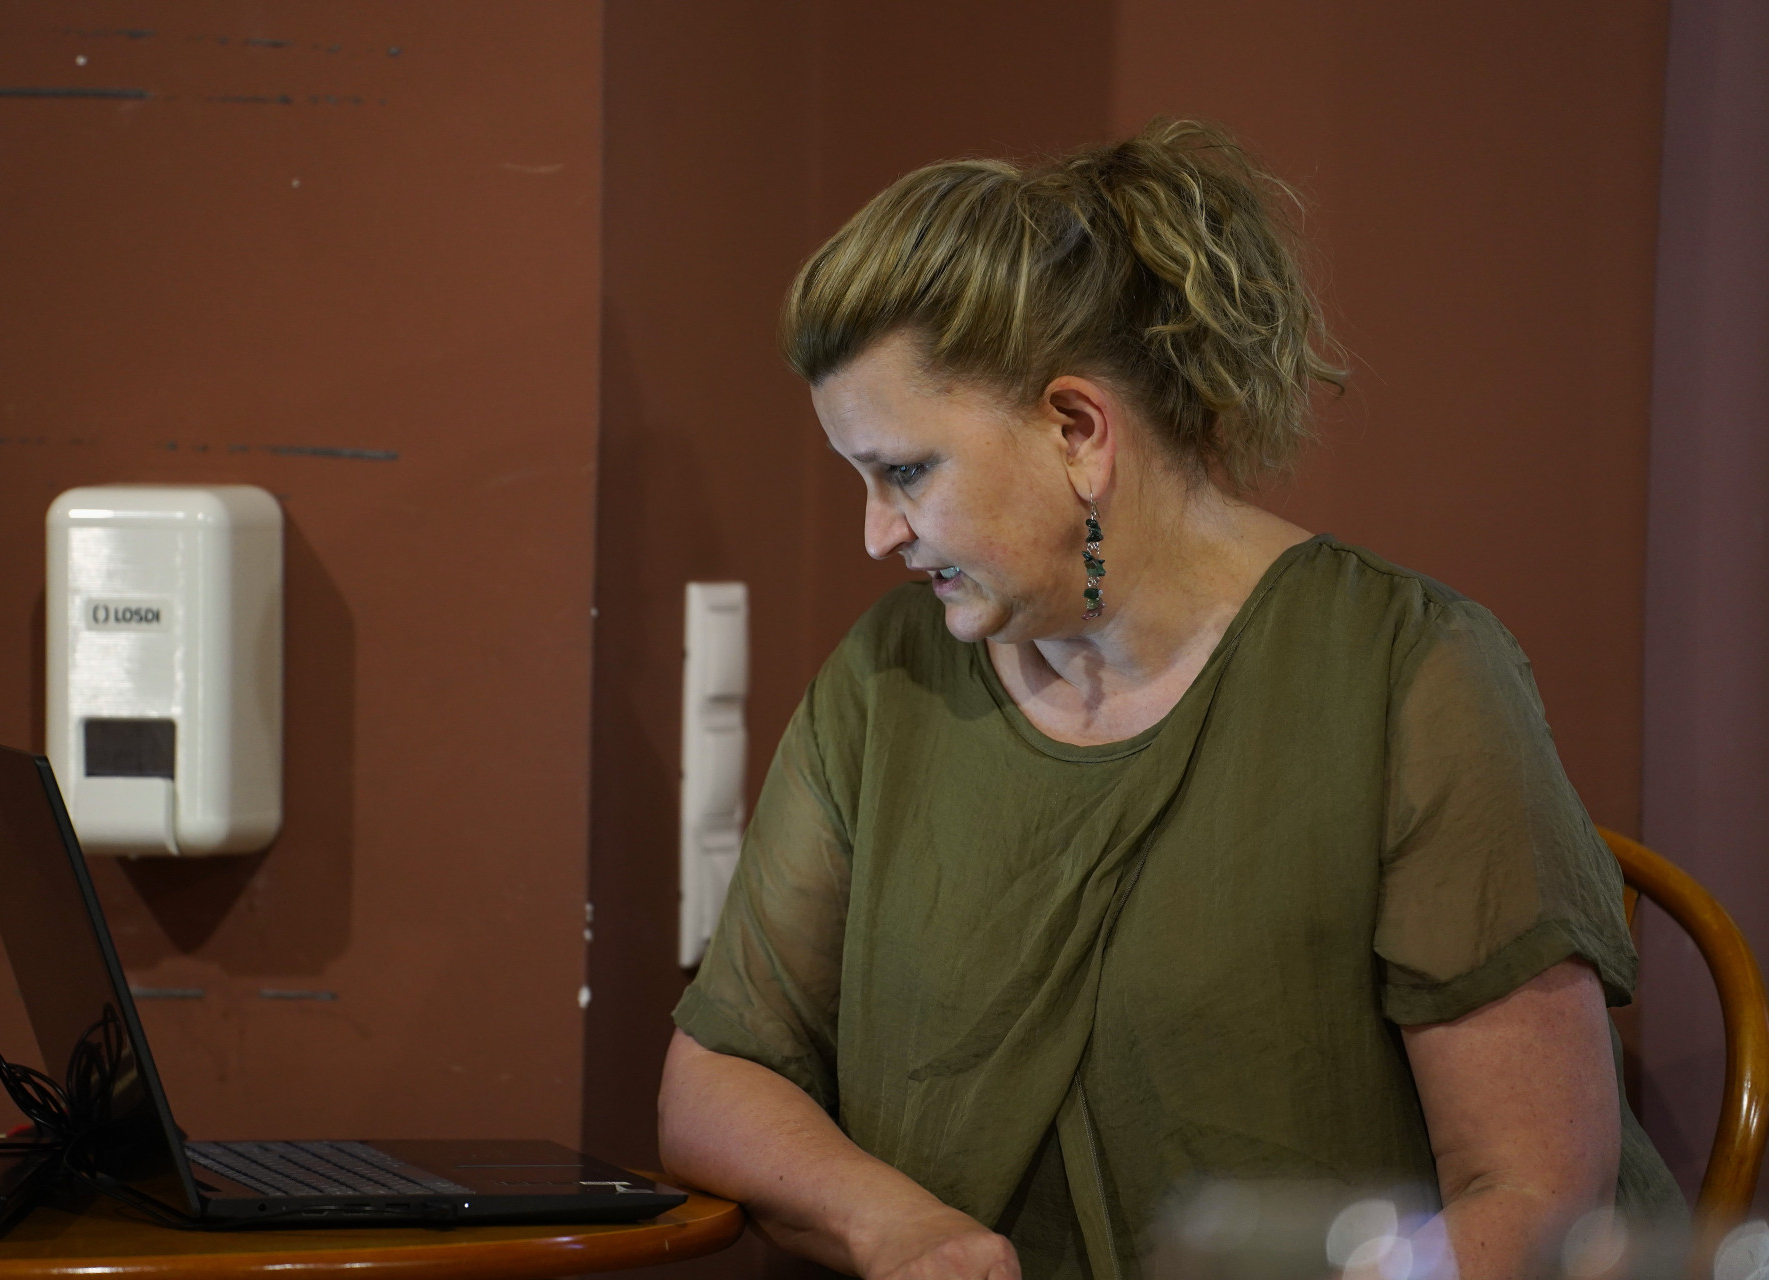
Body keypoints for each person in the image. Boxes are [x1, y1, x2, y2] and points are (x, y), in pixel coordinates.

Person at [657, 119, 1681, 1280]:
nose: (877, 533)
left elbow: (1532, 1197)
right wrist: (900, 1225)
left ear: (1077, 431)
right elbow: (719, 1073)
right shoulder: (888, 678)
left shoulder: (1412, 673)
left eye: (905, 471)